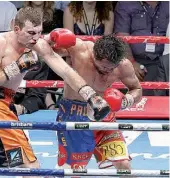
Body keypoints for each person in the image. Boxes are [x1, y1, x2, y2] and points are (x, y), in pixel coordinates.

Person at [0, 7, 111, 178]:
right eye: (30, 33)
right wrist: (18, 65)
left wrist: (90, 94)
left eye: (39, 32)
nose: (35, 38)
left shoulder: (37, 45)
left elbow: (65, 70)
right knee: (31, 169)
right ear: (16, 28)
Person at [47, 35, 142, 171]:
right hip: (74, 114)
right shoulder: (79, 50)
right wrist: (50, 38)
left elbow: (137, 89)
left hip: (105, 115)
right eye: (104, 67)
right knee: (72, 171)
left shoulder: (123, 65)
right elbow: (47, 52)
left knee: (124, 164)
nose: (107, 72)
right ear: (94, 55)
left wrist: (125, 101)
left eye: (111, 68)